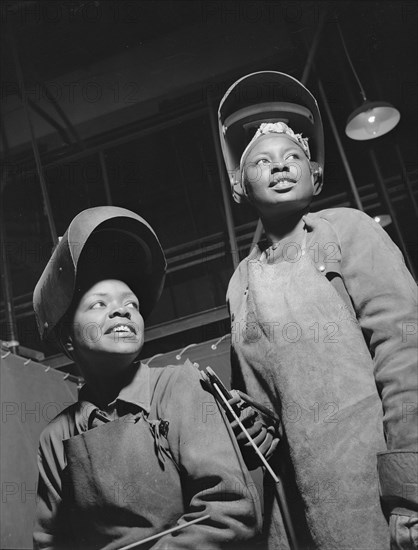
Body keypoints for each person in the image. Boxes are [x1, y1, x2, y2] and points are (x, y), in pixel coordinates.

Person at [217, 71, 418, 550]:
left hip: (379, 489)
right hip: (306, 504)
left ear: (316, 173)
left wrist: (410, 488)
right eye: (262, 161)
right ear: (240, 185)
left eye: (293, 157)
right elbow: (267, 401)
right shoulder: (240, 282)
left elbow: (405, 348)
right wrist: (254, 426)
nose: (280, 166)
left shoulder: (345, 231)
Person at [32, 206, 262, 550]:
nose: (122, 310)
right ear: (68, 340)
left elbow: (232, 511)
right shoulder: (56, 437)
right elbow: (49, 542)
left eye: (132, 304)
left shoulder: (180, 386)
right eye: (98, 304)